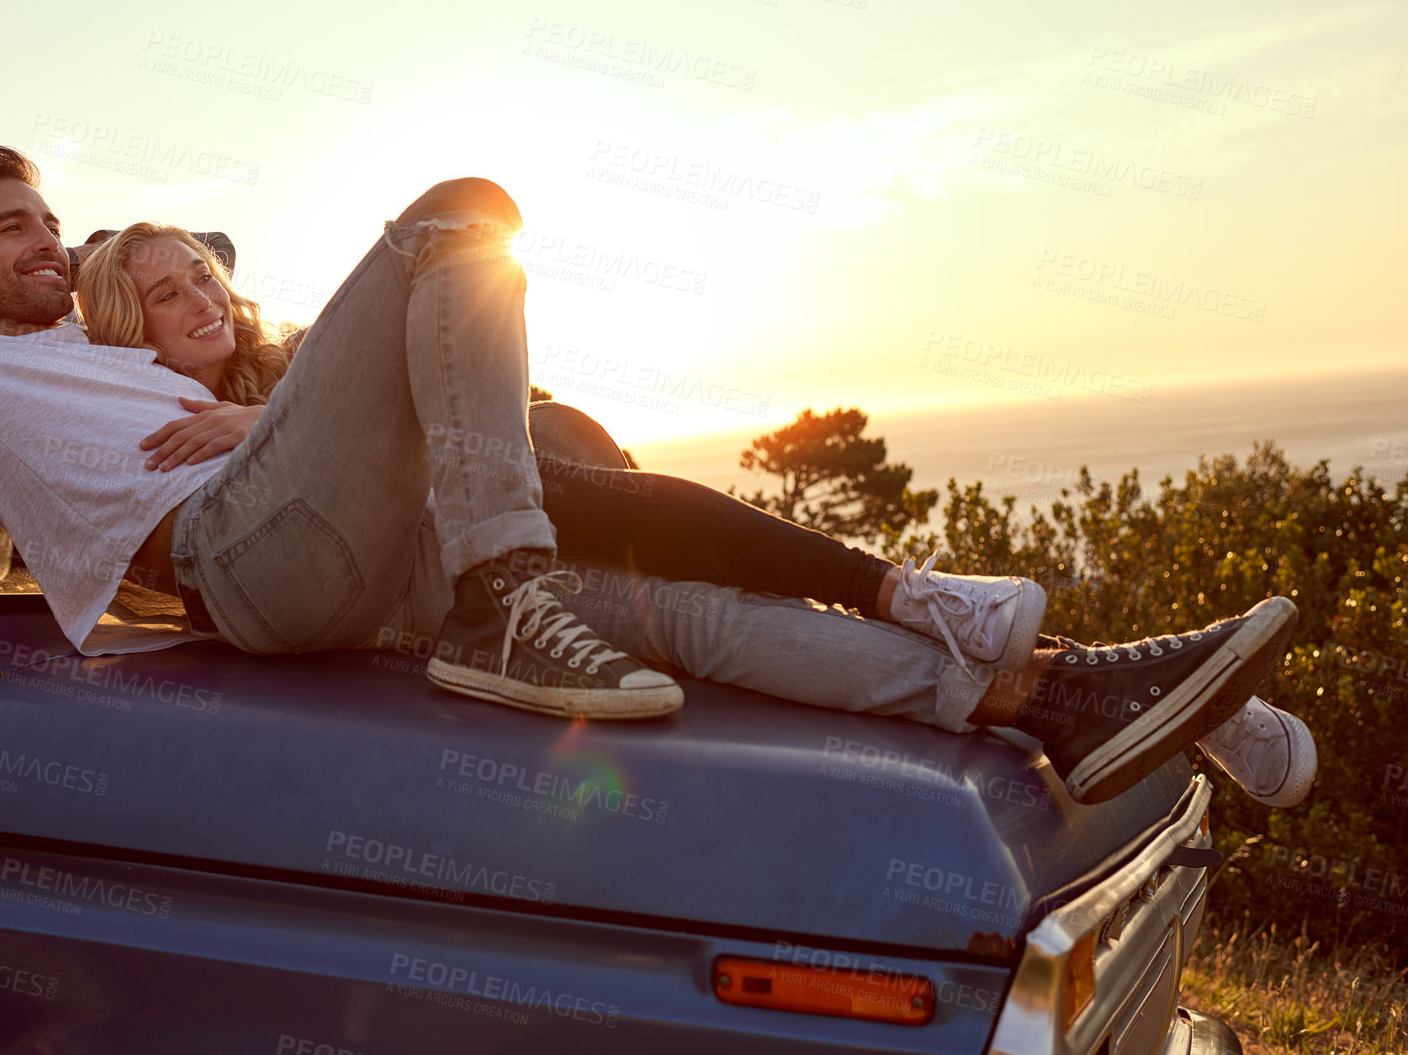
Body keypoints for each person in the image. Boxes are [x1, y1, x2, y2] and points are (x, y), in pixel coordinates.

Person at [0, 145, 1309, 807]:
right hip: (244, 556)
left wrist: (253, 401)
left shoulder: (113, 348)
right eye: (11, 235)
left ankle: (1047, 693)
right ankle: (504, 588)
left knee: (667, 604)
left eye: (49, 223)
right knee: (460, 213)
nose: (46, 248)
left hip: (317, 538)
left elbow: (232, 284)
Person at [72, 220, 1317, 809]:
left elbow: (482, 403)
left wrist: (272, 411)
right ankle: (1071, 683)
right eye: (166, 293)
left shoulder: (297, 372)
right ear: (125, 326)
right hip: (443, 585)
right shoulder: (142, 415)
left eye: (205, 277)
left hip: (533, 516)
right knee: (723, 617)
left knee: (691, 558)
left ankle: (1095, 689)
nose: (203, 301)